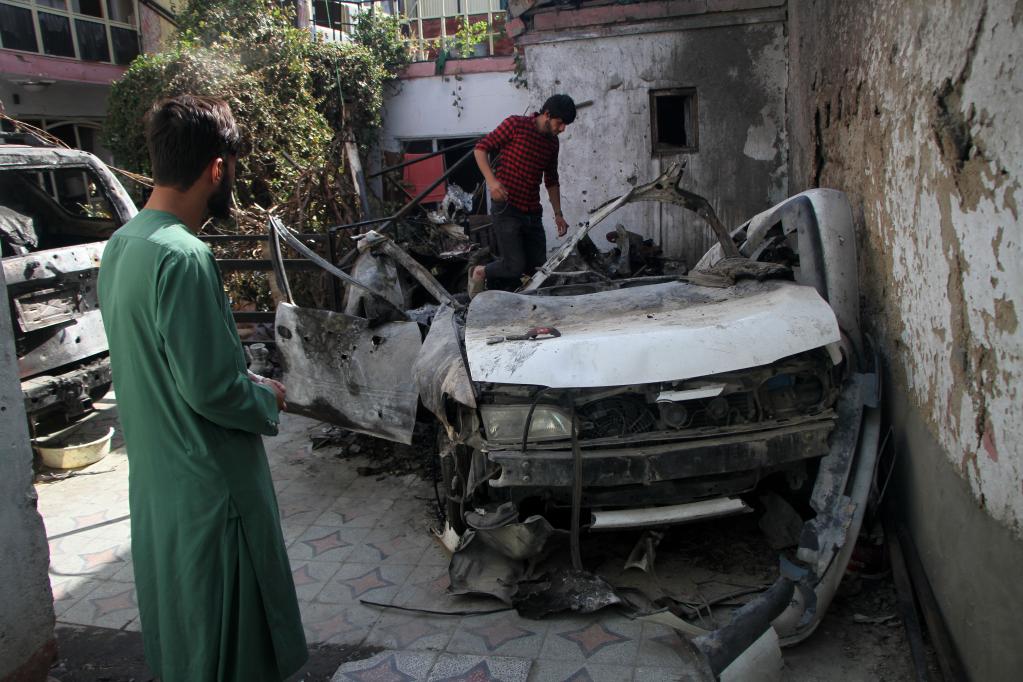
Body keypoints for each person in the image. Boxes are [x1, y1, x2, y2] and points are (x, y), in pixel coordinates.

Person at [97, 95, 307, 681]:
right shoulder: (183, 255)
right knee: (231, 643)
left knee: (187, 634)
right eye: (231, 170)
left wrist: (242, 377)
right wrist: (266, 398)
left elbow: (164, 362)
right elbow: (211, 390)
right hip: (212, 491)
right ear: (218, 168)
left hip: (162, 485)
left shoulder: (124, 245)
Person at [471, 94, 576, 291]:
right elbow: (480, 148)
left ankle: (527, 306)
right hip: (507, 209)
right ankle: (480, 272)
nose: (562, 129)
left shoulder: (553, 144)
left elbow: (551, 180)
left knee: (539, 268)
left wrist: (559, 214)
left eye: (565, 125)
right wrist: (492, 182)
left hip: (532, 213)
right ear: (547, 114)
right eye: (560, 123)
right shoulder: (515, 125)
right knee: (514, 266)